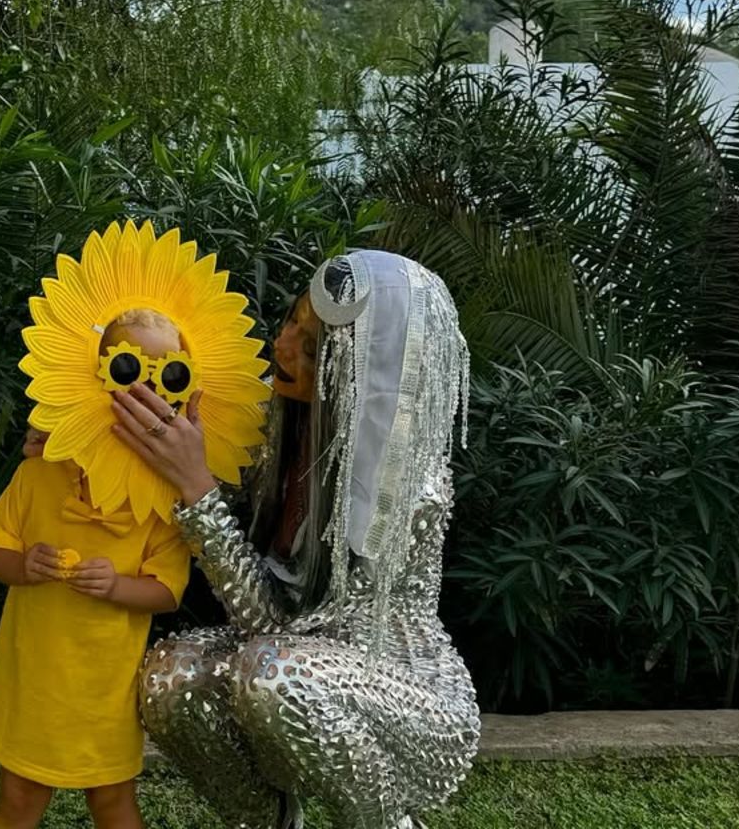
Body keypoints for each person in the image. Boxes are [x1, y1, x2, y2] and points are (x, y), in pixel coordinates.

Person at [110, 250, 479, 829]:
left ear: (365, 375)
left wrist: (198, 491)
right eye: (291, 323)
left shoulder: (405, 488)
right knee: (171, 677)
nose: (282, 349)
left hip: (403, 699)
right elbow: (147, 417)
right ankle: (265, 821)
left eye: (313, 350)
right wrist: (60, 457)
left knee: (273, 670)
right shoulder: (273, 422)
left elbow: (279, 628)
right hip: (282, 661)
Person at [0, 308, 192, 829]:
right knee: (20, 796)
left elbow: (167, 590)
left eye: (165, 377)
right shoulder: (38, 474)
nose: (142, 395)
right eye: (125, 371)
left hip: (105, 694)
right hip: (32, 684)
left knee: (113, 801)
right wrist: (24, 565)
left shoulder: (162, 498)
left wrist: (118, 586)